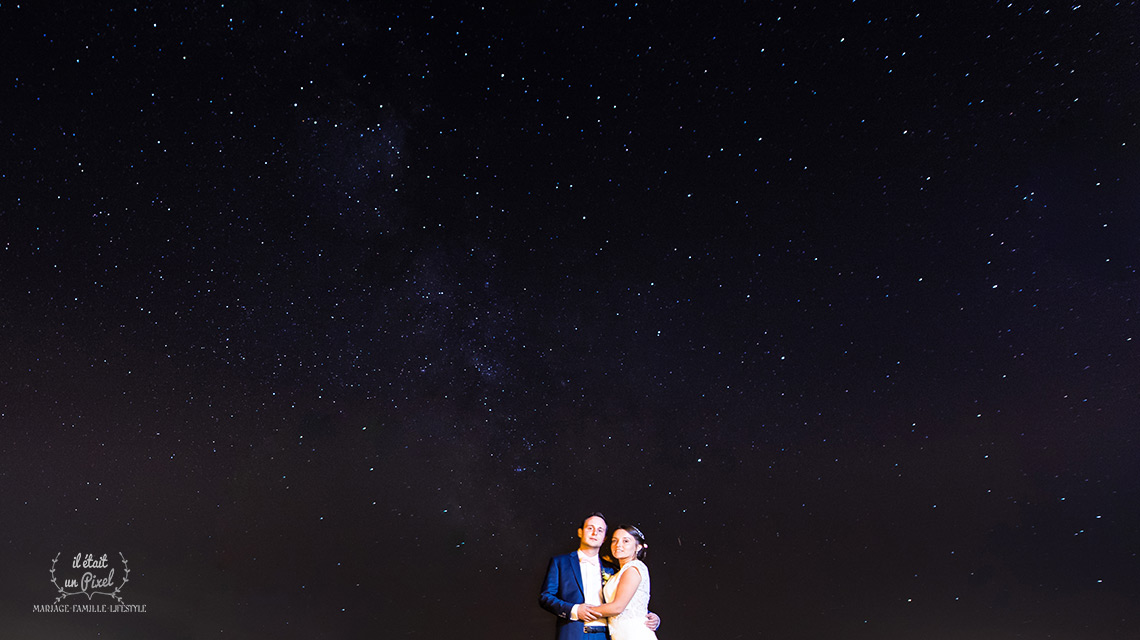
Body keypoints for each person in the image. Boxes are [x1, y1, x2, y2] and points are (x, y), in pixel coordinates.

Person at [540, 513, 661, 640]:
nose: (594, 533)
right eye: (590, 528)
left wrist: (650, 616)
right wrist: (575, 610)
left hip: (605, 635)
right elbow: (546, 597)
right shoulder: (560, 562)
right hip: (573, 633)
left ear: (604, 538)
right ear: (580, 532)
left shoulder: (613, 568)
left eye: (600, 530)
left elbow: (625, 599)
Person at [579, 525, 656, 640]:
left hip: (633, 634)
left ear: (638, 547)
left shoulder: (633, 568)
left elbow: (618, 607)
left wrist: (582, 611)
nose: (618, 545)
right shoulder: (619, 572)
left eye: (626, 541)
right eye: (614, 540)